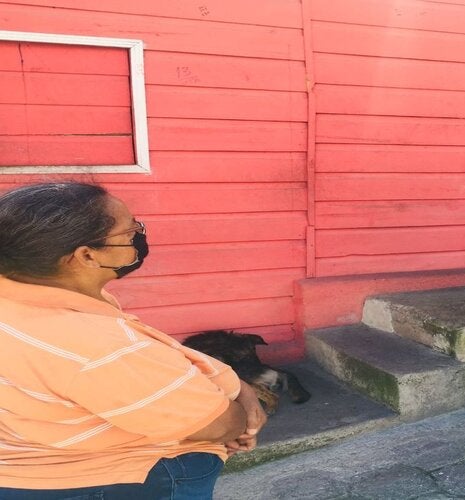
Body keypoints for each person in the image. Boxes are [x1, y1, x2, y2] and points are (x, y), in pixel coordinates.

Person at [0, 182, 267, 499]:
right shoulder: (94, 346)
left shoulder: (23, 301)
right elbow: (217, 424)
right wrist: (244, 410)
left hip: (29, 461)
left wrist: (239, 388)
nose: (139, 235)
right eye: (130, 232)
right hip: (113, 477)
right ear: (86, 255)